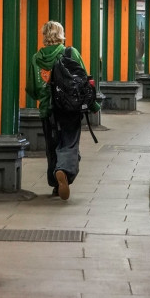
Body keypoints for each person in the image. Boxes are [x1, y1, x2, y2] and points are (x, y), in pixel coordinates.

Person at [25, 20, 100, 200]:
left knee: (52, 145)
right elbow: (83, 80)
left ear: (44, 36)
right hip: (69, 109)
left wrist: (43, 98)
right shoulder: (70, 52)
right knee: (69, 143)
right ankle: (64, 171)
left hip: (48, 110)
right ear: (61, 34)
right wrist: (93, 105)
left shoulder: (37, 58)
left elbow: (31, 88)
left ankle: (56, 184)